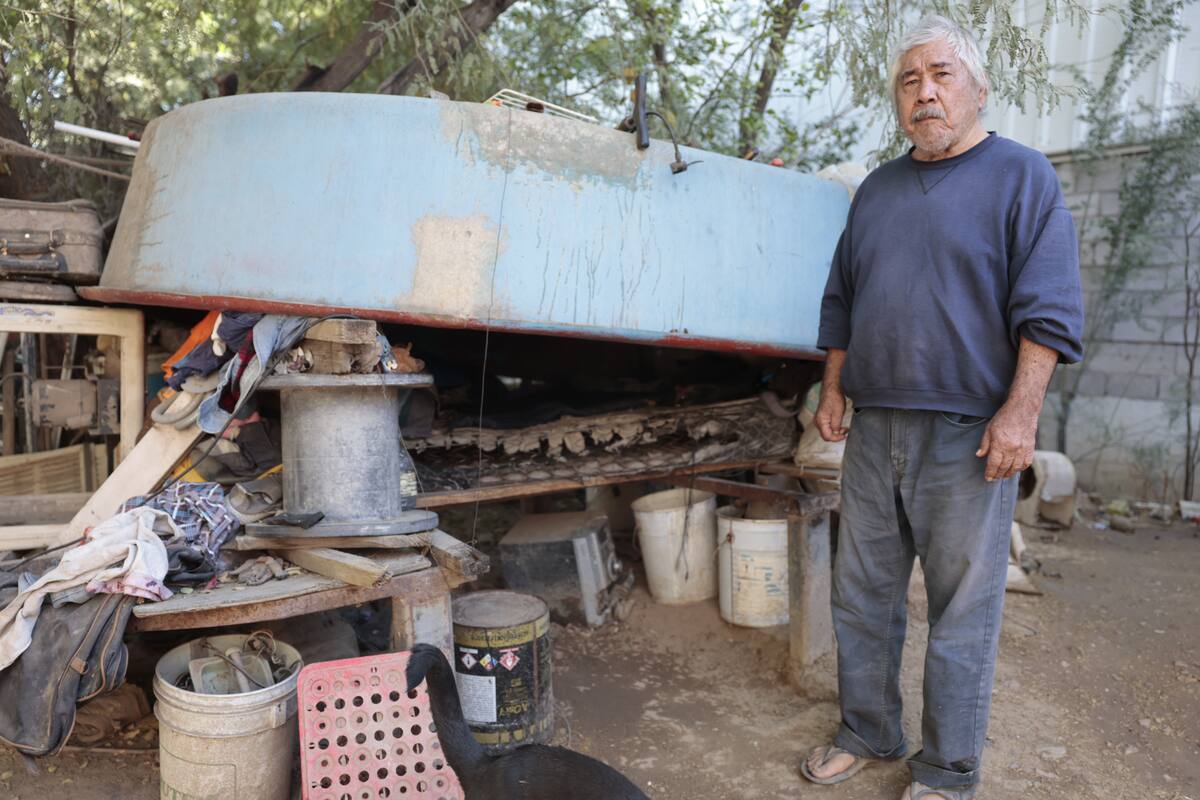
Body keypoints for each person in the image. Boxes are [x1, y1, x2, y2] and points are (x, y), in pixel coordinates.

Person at [799, 15, 1084, 800]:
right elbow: (842, 298)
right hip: (873, 425)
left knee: (961, 611)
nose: (924, 92)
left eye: (941, 74)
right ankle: (867, 728)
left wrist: (1021, 414)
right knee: (861, 594)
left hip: (969, 434)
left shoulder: (1024, 177)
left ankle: (947, 770)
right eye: (909, 80)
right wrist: (832, 385)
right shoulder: (878, 191)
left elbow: (1049, 311)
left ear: (978, 87)